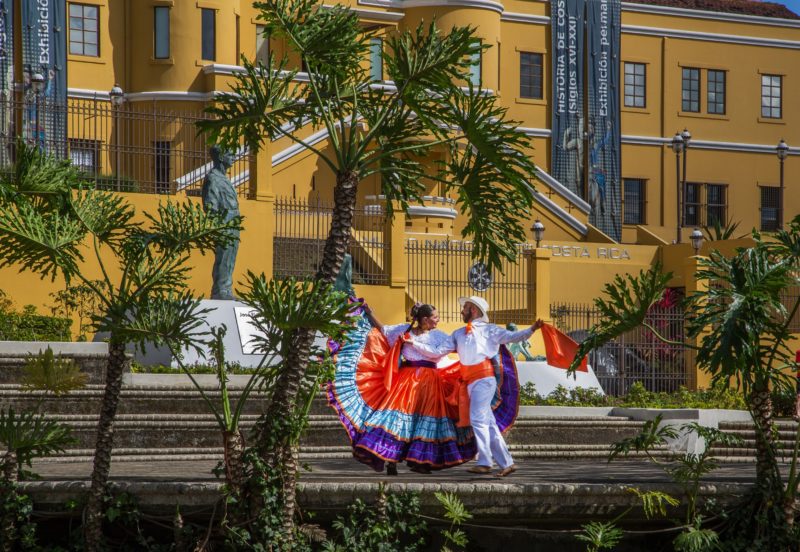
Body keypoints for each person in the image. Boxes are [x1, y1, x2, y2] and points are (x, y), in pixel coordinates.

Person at [327, 303, 474, 475]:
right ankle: (391, 460)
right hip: (407, 381)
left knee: (424, 423)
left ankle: (421, 461)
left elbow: (440, 352)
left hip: (432, 383)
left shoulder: (439, 336)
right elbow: (384, 331)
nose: (438, 320)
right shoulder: (405, 329)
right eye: (435, 317)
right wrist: (370, 313)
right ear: (425, 319)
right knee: (397, 420)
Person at [411, 296, 543, 477]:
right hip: (469, 382)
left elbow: (513, 337)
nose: (461, 311)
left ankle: (485, 461)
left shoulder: (490, 330)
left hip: (484, 379)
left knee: (478, 419)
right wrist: (414, 343)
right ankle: (507, 462)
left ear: (473, 310)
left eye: (464, 308)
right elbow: (437, 352)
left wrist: (532, 329)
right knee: (488, 423)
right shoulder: (458, 333)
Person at [201, 145, 240, 300]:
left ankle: (226, 289)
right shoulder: (213, 178)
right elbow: (210, 205)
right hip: (224, 223)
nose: (234, 157)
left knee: (230, 257)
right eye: (230, 154)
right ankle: (220, 290)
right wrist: (218, 223)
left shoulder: (224, 178)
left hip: (233, 223)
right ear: (221, 157)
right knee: (223, 257)